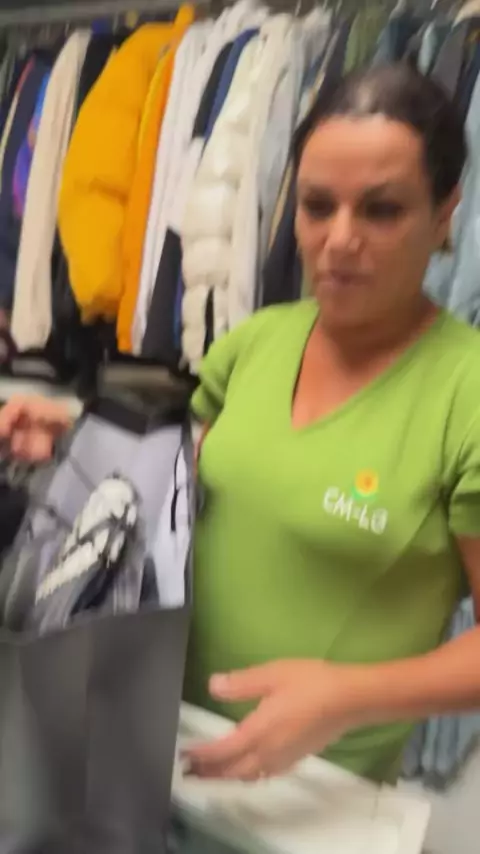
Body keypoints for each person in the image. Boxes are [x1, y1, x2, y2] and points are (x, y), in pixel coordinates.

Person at [1, 64, 480, 787]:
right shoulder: (258, 342)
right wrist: (71, 441)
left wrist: (350, 696)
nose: (339, 239)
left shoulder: (463, 393)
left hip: (316, 793)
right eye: (317, 206)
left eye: (381, 210)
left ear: (446, 216)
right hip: (152, 740)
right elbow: (185, 481)